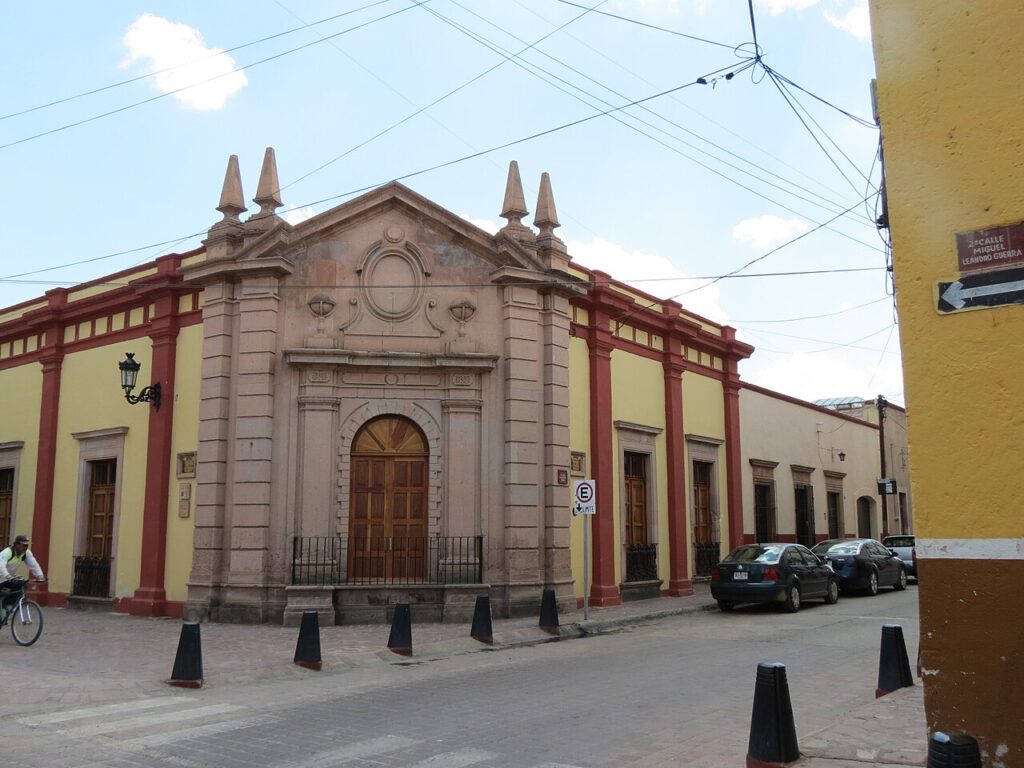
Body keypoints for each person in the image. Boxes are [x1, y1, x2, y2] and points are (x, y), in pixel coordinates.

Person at [0, 535, 46, 620]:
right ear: (16, 544)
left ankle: (7, 605)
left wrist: (40, 576)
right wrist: (8, 576)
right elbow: (1, 566)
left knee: (20, 588)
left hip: (7, 579)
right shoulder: (7, 552)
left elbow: (34, 565)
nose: (25, 547)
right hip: (4, 577)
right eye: (23, 545)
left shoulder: (26, 553)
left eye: (27, 545)